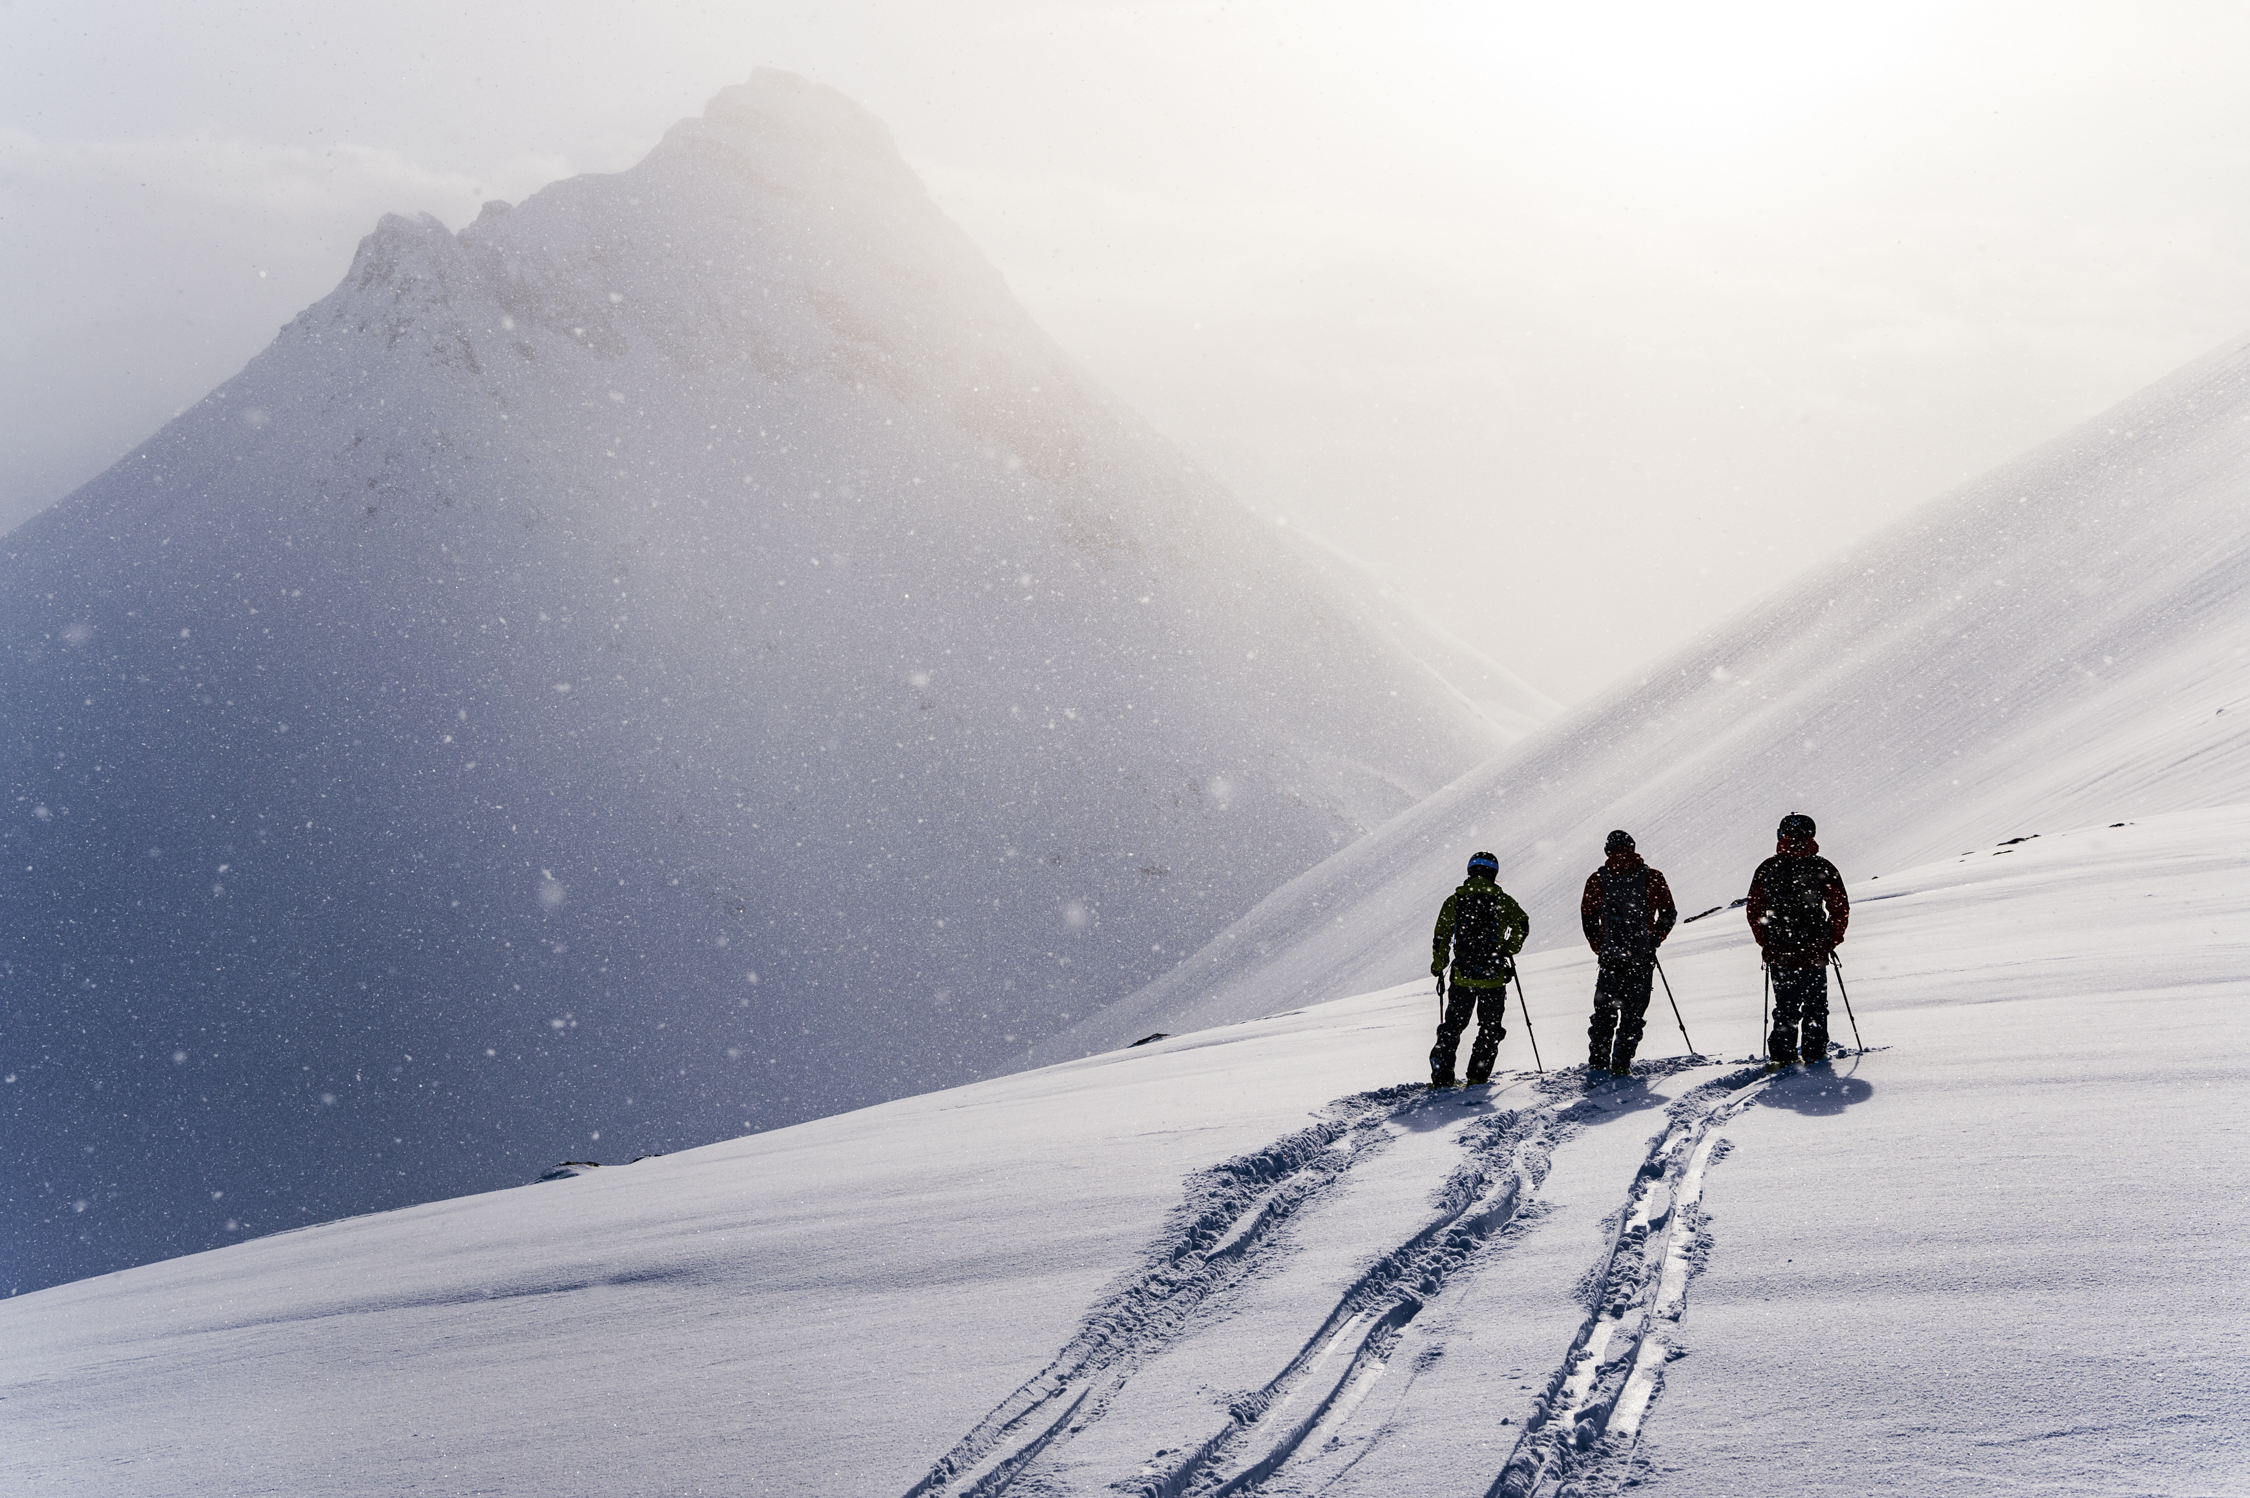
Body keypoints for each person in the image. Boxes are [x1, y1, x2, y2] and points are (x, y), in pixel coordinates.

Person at [1746, 812, 1850, 1067]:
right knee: (1816, 1005)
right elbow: (1839, 906)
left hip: (1781, 950)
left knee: (1786, 1007)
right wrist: (1831, 939)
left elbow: (1754, 909)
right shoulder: (1821, 866)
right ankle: (1814, 1054)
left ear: (1781, 835)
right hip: (1814, 949)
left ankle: (1782, 1056)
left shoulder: (1769, 867)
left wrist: (1766, 941)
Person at [1580, 830, 1678, 1078]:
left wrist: (1599, 945)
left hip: (1611, 959)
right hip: (1641, 958)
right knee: (1633, 1015)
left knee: (1604, 1015)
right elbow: (1668, 913)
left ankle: (1598, 1064)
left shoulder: (1597, 880)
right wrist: (1653, 939)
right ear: (1632, 848)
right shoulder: (1652, 877)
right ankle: (1621, 1063)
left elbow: (1589, 917)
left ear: (1607, 851)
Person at [1430, 851, 1530, 1087]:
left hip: (1462, 976)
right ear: (1493, 873)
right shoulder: (1503, 901)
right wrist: (1507, 950)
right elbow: (1522, 924)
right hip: (1493, 978)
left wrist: (1439, 965)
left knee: (1452, 1027)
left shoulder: (1455, 901)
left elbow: (1441, 937)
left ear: (1470, 871)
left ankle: (1442, 1077)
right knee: (1489, 1028)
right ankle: (1477, 1076)